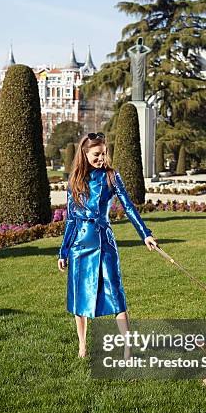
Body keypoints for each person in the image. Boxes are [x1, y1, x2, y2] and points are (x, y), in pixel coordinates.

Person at [57, 132, 158, 358]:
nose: (102, 158)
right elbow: (71, 219)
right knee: (79, 296)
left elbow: (129, 208)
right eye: (96, 154)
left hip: (104, 242)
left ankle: (127, 347)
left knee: (116, 294)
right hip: (79, 245)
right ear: (84, 153)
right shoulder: (74, 179)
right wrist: (63, 251)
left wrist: (145, 234)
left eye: (104, 153)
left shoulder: (111, 176)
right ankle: (82, 345)